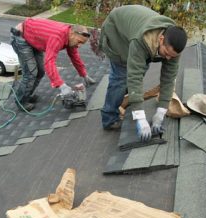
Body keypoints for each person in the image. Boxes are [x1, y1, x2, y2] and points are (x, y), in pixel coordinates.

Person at [99, 5, 187, 141]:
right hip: (116, 32)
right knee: (121, 77)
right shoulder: (141, 40)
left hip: (134, 31)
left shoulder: (173, 44)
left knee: (140, 69)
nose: (168, 58)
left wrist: (161, 112)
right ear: (161, 40)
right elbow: (135, 77)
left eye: (172, 56)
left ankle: (126, 99)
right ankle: (109, 118)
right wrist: (140, 117)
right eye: (167, 54)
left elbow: (169, 79)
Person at [10, 18, 96, 111]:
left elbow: (75, 57)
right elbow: (49, 62)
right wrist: (62, 86)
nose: (79, 46)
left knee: (40, 71)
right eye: (79, 42)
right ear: (72, 34)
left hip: (34, 39)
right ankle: (21, 101)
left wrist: (84, 75)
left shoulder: (70, 38)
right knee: (31, 73)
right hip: (21, 37)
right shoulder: (58, 37)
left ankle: (26, 94)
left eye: (82, 44)